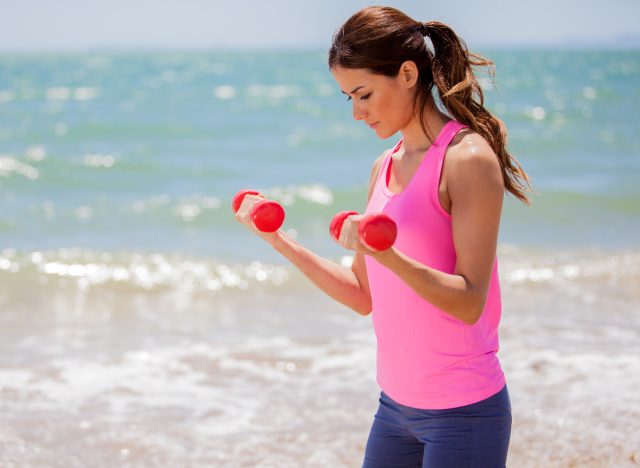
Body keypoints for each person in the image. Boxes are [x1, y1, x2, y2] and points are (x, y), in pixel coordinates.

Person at [235, 6, 530, 467]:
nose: (356, 112)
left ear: (408, 73)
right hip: (394, 411)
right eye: (347, 98)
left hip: (464, 413)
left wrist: (386, 255)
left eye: (364, 94)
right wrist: (277, 240)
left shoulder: (466, 159)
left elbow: (470, 300)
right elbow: (362, 295)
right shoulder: (383, 167)